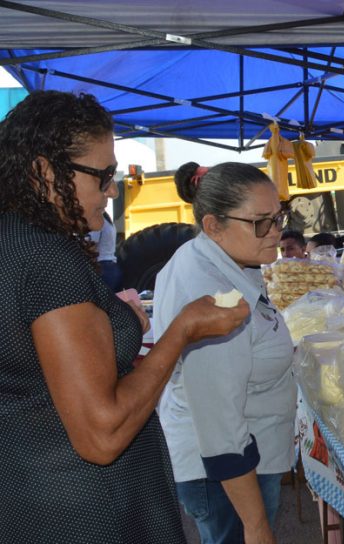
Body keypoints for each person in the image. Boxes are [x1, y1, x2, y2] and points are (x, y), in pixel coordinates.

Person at [0, 91, 249, 543]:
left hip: (30, 496)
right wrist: (181, 331)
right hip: (86, 512)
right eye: (103, 176)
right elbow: (102, 435)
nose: (112, 191)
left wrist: (117, 322)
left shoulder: (13, 239)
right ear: (44, 171)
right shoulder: (47, 259)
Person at [153, 161, 296, 544]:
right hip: (227, 475)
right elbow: (220, 430)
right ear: (214, 226)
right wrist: (256, 524)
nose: (276, 232)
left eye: (279, 217)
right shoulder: (211, 295)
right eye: (260, 223)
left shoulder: (224, 258)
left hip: (241, 460)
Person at [89, 211, 123, 290]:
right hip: (112, 266)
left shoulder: (98, 221)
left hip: (102, 267)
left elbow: (92, 245)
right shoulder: (108, 221)